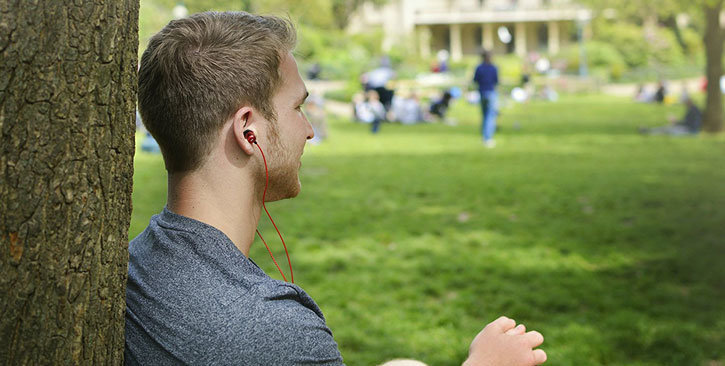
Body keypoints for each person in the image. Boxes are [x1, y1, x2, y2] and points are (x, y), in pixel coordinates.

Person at [126, 11, 547, 366]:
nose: (308, 130)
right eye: (297, 108)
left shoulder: (131, 267)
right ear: (248, 130)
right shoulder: (277, 332)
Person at [473, 50, 499, 148]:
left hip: (482, 92)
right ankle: (488, 138)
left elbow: (475, 80)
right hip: (490, 93)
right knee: (490, 116)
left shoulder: (479, 68)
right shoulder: (493, 68)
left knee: (485, 115)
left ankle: (485, 136)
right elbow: (496, 80)